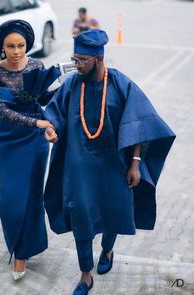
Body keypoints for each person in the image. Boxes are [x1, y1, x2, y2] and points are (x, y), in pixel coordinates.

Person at [43, 29, 176, 294]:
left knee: (112, 210)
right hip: (78, 166)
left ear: (99, 58)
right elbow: (55, 112)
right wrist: (51, 128)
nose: (77, 65)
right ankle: (85, 275)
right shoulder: (71, 85)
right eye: (74, 58)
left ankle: (107, 250)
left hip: (113, 165)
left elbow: (139, 124)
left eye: (82, 60)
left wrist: (135, 163)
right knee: (80, 215)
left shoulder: (121, 85)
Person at [0, 20, 59, 281]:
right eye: (10, 46)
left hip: (35, 142)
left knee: (31, 198)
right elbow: (3, 111)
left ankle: (22, 252)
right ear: (1, 47)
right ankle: (18, 244)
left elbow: (44, 98)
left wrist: (64, 94)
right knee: (10, 200)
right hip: (6, 141)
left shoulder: (37, 65)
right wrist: (39, 121)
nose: (17, 51)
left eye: (21, 45)